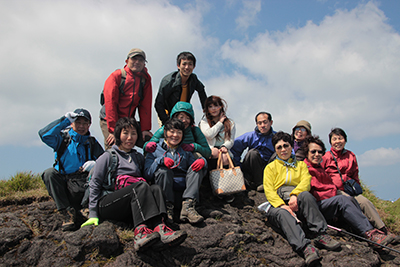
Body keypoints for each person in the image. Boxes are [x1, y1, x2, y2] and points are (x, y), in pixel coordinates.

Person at [82, 117, 187, 252]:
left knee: (155, 188)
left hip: (131, 204)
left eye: (133, 133)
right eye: (125, 133)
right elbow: (95, 184)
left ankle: (160, 227)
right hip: (107, 203)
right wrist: (93, 214)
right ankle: (140, 232)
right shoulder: (108, 156)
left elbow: (147, 176)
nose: (129, 138)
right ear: (118, 135)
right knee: (141, 186)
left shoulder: (138, 157)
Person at [261, 131, 340, 266]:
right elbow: (269, 190)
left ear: (291, 147)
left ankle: (320, 234)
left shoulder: (301, 165)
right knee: (282, 213)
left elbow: (305, 182)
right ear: (275, 150)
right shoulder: (270, 168)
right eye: (279, 147)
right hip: (278, 204)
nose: (283, 150)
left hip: (297, 200)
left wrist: (294, 195)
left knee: (306, 195)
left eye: (285, 146)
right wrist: (282, 205)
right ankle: (305, 248)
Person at [303, 135, 394, 247]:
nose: (317, 154)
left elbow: (331, 187)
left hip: (327, 203)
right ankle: (370, 234)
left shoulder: (320, 168)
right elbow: (315, 192)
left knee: (350, 200)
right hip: (315, 207)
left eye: (320, 152)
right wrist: (333, 197)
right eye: (313, 152)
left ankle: (371, 234)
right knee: (342, 200)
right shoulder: (304, 168)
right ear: (306, 153)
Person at [39, 108, 104, 231]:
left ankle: (87, 208)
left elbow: (106, 162)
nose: (81, 126)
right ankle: (66, 213)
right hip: (66, 187)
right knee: (49, 173)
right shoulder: (62, 139)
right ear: (72, 123)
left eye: (85, 123)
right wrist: (65, 120)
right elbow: (44, 135)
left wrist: (96, 164)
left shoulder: (92, 143)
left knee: (98, 171)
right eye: (78, 122)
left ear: (89, 125)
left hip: (85, 187)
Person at [321, 128, 392, 234]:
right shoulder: (325, 157)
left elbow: (355, 175)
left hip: (349, 188)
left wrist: (357, 189)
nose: (337, 141)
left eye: (340, 138)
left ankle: (383, 229)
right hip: (335, 191)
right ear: (330, 142)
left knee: (365, 202)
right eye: (334, 139)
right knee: (350, 202)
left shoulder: (351, 155)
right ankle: (369, 231)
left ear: (345, 140)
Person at [144, 118, 207, 225]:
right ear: (165, 133)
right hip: (164, 193)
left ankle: (188, 207)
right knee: (164, 171)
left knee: (196, 168)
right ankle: (167, 209)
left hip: (182, 192)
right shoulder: (155, 149)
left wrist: (203, 161)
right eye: (172, 131)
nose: (175, 135)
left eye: (179, 132)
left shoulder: (184, 151)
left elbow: (194, 166)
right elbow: (147, 174)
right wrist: (160, 161)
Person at [100, 48, 153, 150]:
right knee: (115, 146)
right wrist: (113, 130)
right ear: (127, 61)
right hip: (109, 120)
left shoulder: (144, 79)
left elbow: (145, 105)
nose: (137, 62)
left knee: (150, 145)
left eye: (141, 60)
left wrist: (145, 129)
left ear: (144, 64)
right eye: (134, 59)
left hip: (128, 120)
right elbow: (110, 104)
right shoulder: (117, 76)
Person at [155, 51, 207, 126]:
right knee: (170, 134)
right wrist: (166, 121)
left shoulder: (193, 79)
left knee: (189, 135)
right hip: (167, 113)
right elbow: (158, 104)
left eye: (190, 64)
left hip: (183, 114)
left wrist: (206, 110)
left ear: (194, 66)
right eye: (184, 64)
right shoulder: (168, 81)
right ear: (178, 66)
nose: (187, 67)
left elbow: (201, 91)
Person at [144, 101, 211, 159]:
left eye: (187, 118)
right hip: (167, 159)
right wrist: (148, 146)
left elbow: (208, 153)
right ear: (175, 117)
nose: (184, 120)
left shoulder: (195, 131)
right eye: (181, 117)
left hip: (188, 161)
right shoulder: (166, 129)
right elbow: (149, 145)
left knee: (198, 156)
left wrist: (194, 147)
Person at [231, 112, 276, 192]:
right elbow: (234, 148)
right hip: (253, 167)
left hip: (269, 168)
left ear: (271, 122)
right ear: (257, 124)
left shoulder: (276, 137)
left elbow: (289, 150)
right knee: (252, 153)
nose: (262, 125)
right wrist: (238, 167)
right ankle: (259, 183)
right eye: (259, 123)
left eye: (265, 122)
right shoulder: (250, 136)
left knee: (278, 154)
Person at [199, 95, 236, 167]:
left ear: (220, 107)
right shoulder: (204, 121)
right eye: (210, 107)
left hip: (223, 149)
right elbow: (209, 135)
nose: (213, 109)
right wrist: (220, 122)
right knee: (213, 152)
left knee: (224, 158)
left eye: (216, 106)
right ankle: (210, 176)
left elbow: (230, 140)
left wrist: (224, 147)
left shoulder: (230, 123)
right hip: (210, 149)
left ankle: (224, 177)